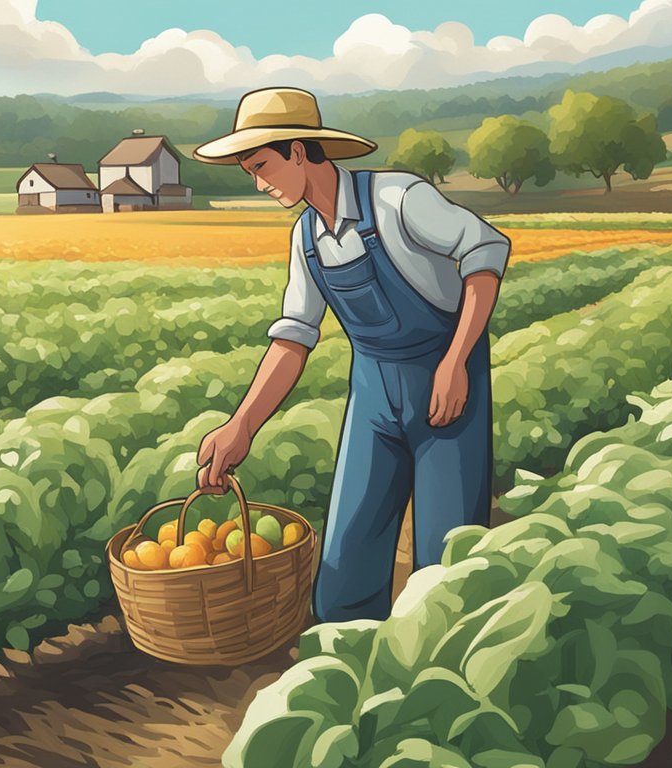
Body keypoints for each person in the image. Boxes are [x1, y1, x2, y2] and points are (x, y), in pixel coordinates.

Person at [190, 86, 510, 623]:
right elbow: (293, 339)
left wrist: (457, 361)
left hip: (446, 385)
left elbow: (485, 253)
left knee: (447, 563)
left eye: (262, 165)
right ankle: (352, 673)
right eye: (249, 171)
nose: (259, 183)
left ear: (298, 150)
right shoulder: (307, 237)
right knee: (345, 563)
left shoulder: (397, 199)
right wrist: (241, 425)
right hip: (373, 398)